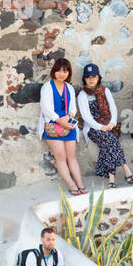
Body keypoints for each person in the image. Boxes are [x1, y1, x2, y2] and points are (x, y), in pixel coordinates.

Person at [77, 63, 133, 188]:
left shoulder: (105, 90)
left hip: (109, 124)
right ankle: (126, 169)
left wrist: (112, 123)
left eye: (94, 76)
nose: (91, 79)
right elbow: (86, 117)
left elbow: (113, 107)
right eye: (88, 77)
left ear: (98, 77)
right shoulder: (82, 95)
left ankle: (111, 178)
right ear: (84, 79)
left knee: (108, 143)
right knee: (110, 138)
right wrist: (100, 127)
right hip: (93, 128)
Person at [40, 57, 86, 195]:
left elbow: (73, 107)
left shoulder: (69, 88)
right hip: (52, 124)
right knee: (60, 156)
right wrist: (60, 120)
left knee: (72, 156)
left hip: (68, 124)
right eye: (59, 71)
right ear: (54, 71)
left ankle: (80, 184)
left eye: (65, 71)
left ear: (69, 73)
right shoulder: (47, 87)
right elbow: (45, 107)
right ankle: (71, 185)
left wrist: (70, 116)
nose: (62, 74)